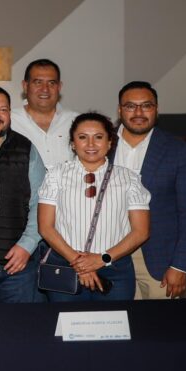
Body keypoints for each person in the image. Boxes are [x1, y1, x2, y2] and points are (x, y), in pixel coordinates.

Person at [37, 112, 150, 302]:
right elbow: (45, 228)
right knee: (67, 327)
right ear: (73, 143)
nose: (90, 144)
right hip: (66, 266)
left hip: (114, 269)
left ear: (109, 143)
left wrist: (101, 259)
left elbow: (141, 231)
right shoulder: (55, 175)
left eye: (98, 137)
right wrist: (80, 263)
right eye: (82, 137)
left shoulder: (129, 179)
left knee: (114, 328)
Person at [113, 81, 186, 299]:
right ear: (119, 110)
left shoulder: (177, 149)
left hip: (159, 260)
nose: (138, 113)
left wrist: (180, 266)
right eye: (130, 106)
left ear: (157, 109)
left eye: (146, 106)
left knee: (160, 328)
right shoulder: (101, 143)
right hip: (110, 257)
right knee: (117, 325)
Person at [0, 85, 47, 303]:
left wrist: (27, 245)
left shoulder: (26, 149)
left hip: (18, 264)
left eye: (3, 110)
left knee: (20, 330)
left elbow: (40, 203)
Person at [9, 59, 79, 170]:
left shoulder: (77, 121)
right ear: (25, 86)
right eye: (38, 82)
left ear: (59, 87)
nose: (45, 89)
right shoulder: (9, 122)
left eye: (51, 83)